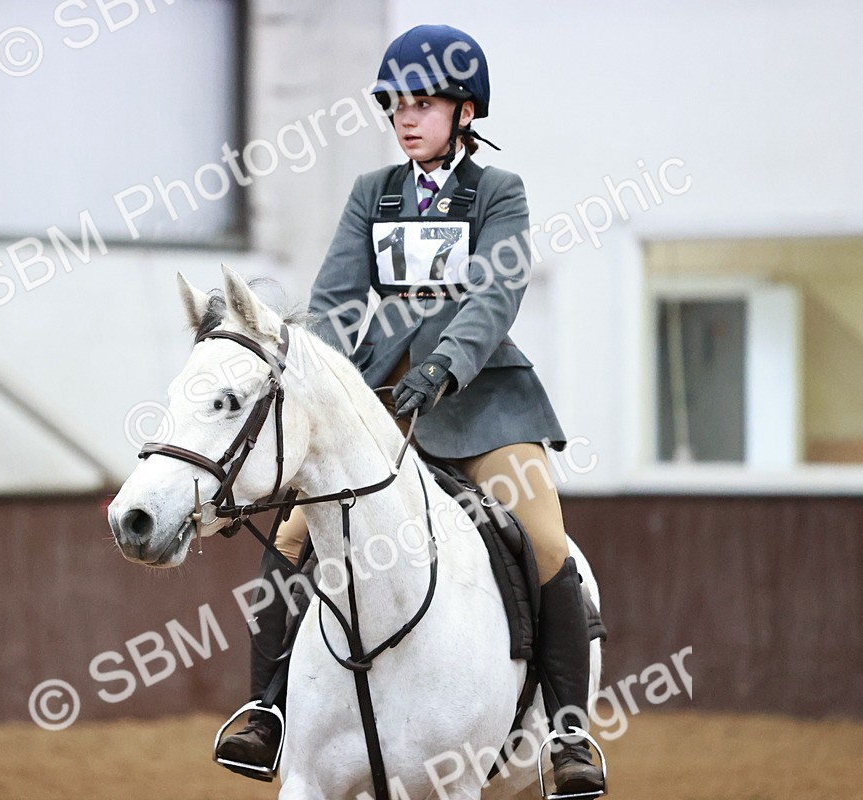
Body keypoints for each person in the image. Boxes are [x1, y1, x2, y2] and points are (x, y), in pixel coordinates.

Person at [215, 24, 605, 796]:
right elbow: (331, 300)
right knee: (292, 536)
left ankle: (567, 734)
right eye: (397, 104)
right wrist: (318, 375)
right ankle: (266, 708)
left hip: (483, 402)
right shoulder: (373, 195)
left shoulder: (500, 194)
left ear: (465, 112)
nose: (405, 117)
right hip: (379, 405)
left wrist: (446, 368)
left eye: (423, 104)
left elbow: (495, 295)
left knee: (547, 543)